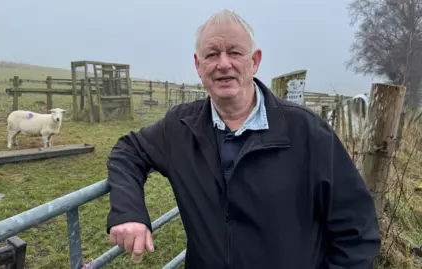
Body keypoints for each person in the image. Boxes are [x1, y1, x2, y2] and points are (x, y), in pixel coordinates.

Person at [105, 9, 381, 269]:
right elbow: (128, 150)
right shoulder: (180, 128)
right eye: (212, 54)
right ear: (198, 65)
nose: (223, 64)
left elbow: (356, 230)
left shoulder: (307, 132)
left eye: (235, 52)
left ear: (255, 61)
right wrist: (130, 212)